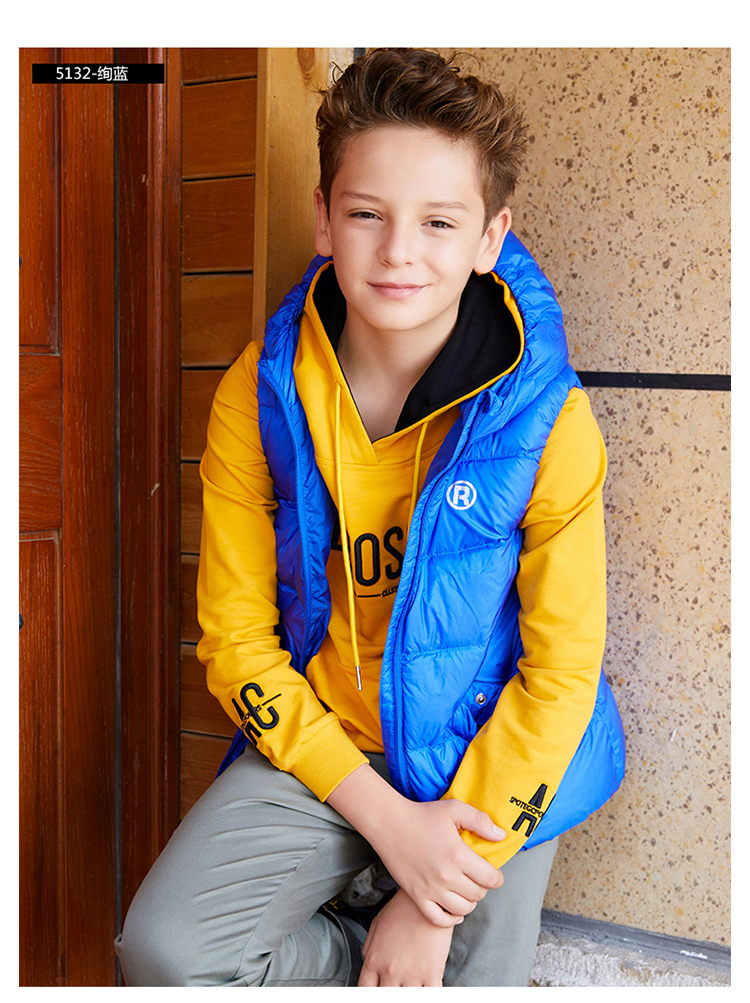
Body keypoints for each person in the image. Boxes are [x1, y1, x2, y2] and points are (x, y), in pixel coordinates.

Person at [115, 47, 625, 987]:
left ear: (489, 237)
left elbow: (561, 674)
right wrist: (393, 830)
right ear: (323, 218)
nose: (398, 252)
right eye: (366, 214)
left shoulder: (546, 420)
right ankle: (354, 948)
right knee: (169, 954)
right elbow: (234, 639)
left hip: (487, 749)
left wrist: (433, 902)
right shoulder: (260, 398)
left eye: (439, 222)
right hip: (329, 741)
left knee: (459, 983)